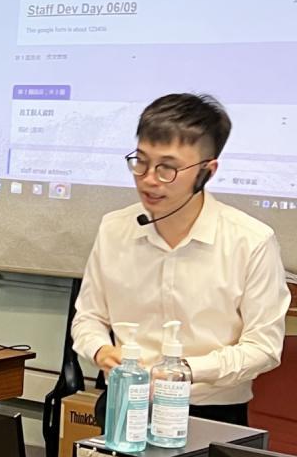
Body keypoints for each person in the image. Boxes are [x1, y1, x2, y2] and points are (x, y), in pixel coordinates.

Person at [72, 93, 289, 425]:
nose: (148, 179)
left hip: (211, 414)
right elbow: (88, 318)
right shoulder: (114, 229)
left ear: (206, 171)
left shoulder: (251, 241)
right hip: (125, 405)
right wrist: (101, 350)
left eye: (167, 168)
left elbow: (264, 348)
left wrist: (185, 370)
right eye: (141, 161)